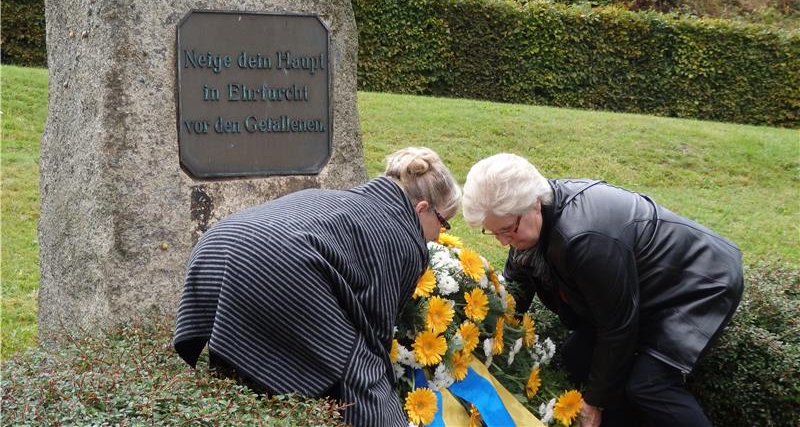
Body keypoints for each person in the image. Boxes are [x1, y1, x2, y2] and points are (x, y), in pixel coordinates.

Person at [174, 147, 461, 427]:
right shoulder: (406, 240)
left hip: (216, 245)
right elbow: (374, 328)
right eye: (444, 223)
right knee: (361, 372)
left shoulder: (335, 197)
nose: (439, 235)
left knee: (236, 374)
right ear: (422, 209)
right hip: (279, 264)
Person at [461, 153, 743, 427]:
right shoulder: (532, 221)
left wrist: (594, 403)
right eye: (494, 232)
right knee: (576, 357)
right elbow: (515, 290)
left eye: (508, 230)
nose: (502, 242)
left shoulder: (584, 239)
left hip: (698, 280)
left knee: (648, 384)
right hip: (643, 286)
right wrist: (478, 330)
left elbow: (618, 327)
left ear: (534, 204)